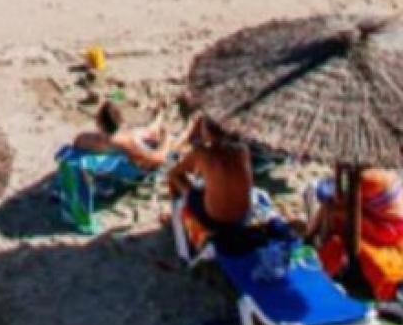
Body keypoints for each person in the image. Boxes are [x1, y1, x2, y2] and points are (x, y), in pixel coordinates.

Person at [307, 169, 403, 300]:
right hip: (393, 221)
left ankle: (319, 267)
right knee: (336, 211)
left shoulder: (368, 180)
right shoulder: (384, 172)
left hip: (386, 229)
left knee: (337, 216)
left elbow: (344, 198)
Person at [166, 116, 264, 258]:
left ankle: (180, 224)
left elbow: (176, 171)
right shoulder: (243, 150)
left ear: (207, 131)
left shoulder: (203, 154)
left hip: (214, 220)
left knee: (173, 176)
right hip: (243, 218)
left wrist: (195, 141)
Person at [73, 100, 172, 173]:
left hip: (96, 166)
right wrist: (167, 139)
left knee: (141, 132)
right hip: (118, 169)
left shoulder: (83, 138)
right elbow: (158, 158)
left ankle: (158, 119)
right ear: (119, 122)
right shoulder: (125, 142)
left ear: (98, 123)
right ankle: (159, 119)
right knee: (148, 135)